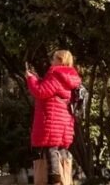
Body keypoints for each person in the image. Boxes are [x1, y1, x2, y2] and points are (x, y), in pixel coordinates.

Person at [26, 50, 81, 184]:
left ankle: (54, 180)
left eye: (54, 59)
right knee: (60, 151)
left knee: (50, 150)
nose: (51, 62)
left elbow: (40, 91)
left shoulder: (57, 75)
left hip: (51, 119)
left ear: (60, 60)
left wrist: (31, 79)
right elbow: (49, 90)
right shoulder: (70, 78)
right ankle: (65, 180)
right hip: (64, 122)